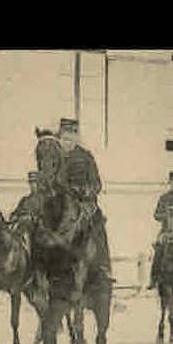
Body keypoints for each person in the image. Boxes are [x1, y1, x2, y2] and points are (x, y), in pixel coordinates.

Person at [57, 117, 114, 294]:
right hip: (62, 201)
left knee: (97, 224)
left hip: (85, 202)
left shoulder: (86, 157)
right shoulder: (55, 156)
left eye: (70, 137)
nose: (66, 141)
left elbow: (97, 183)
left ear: (76, 137)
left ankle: (104, 266)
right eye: (63, 138)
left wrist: (85, 191)